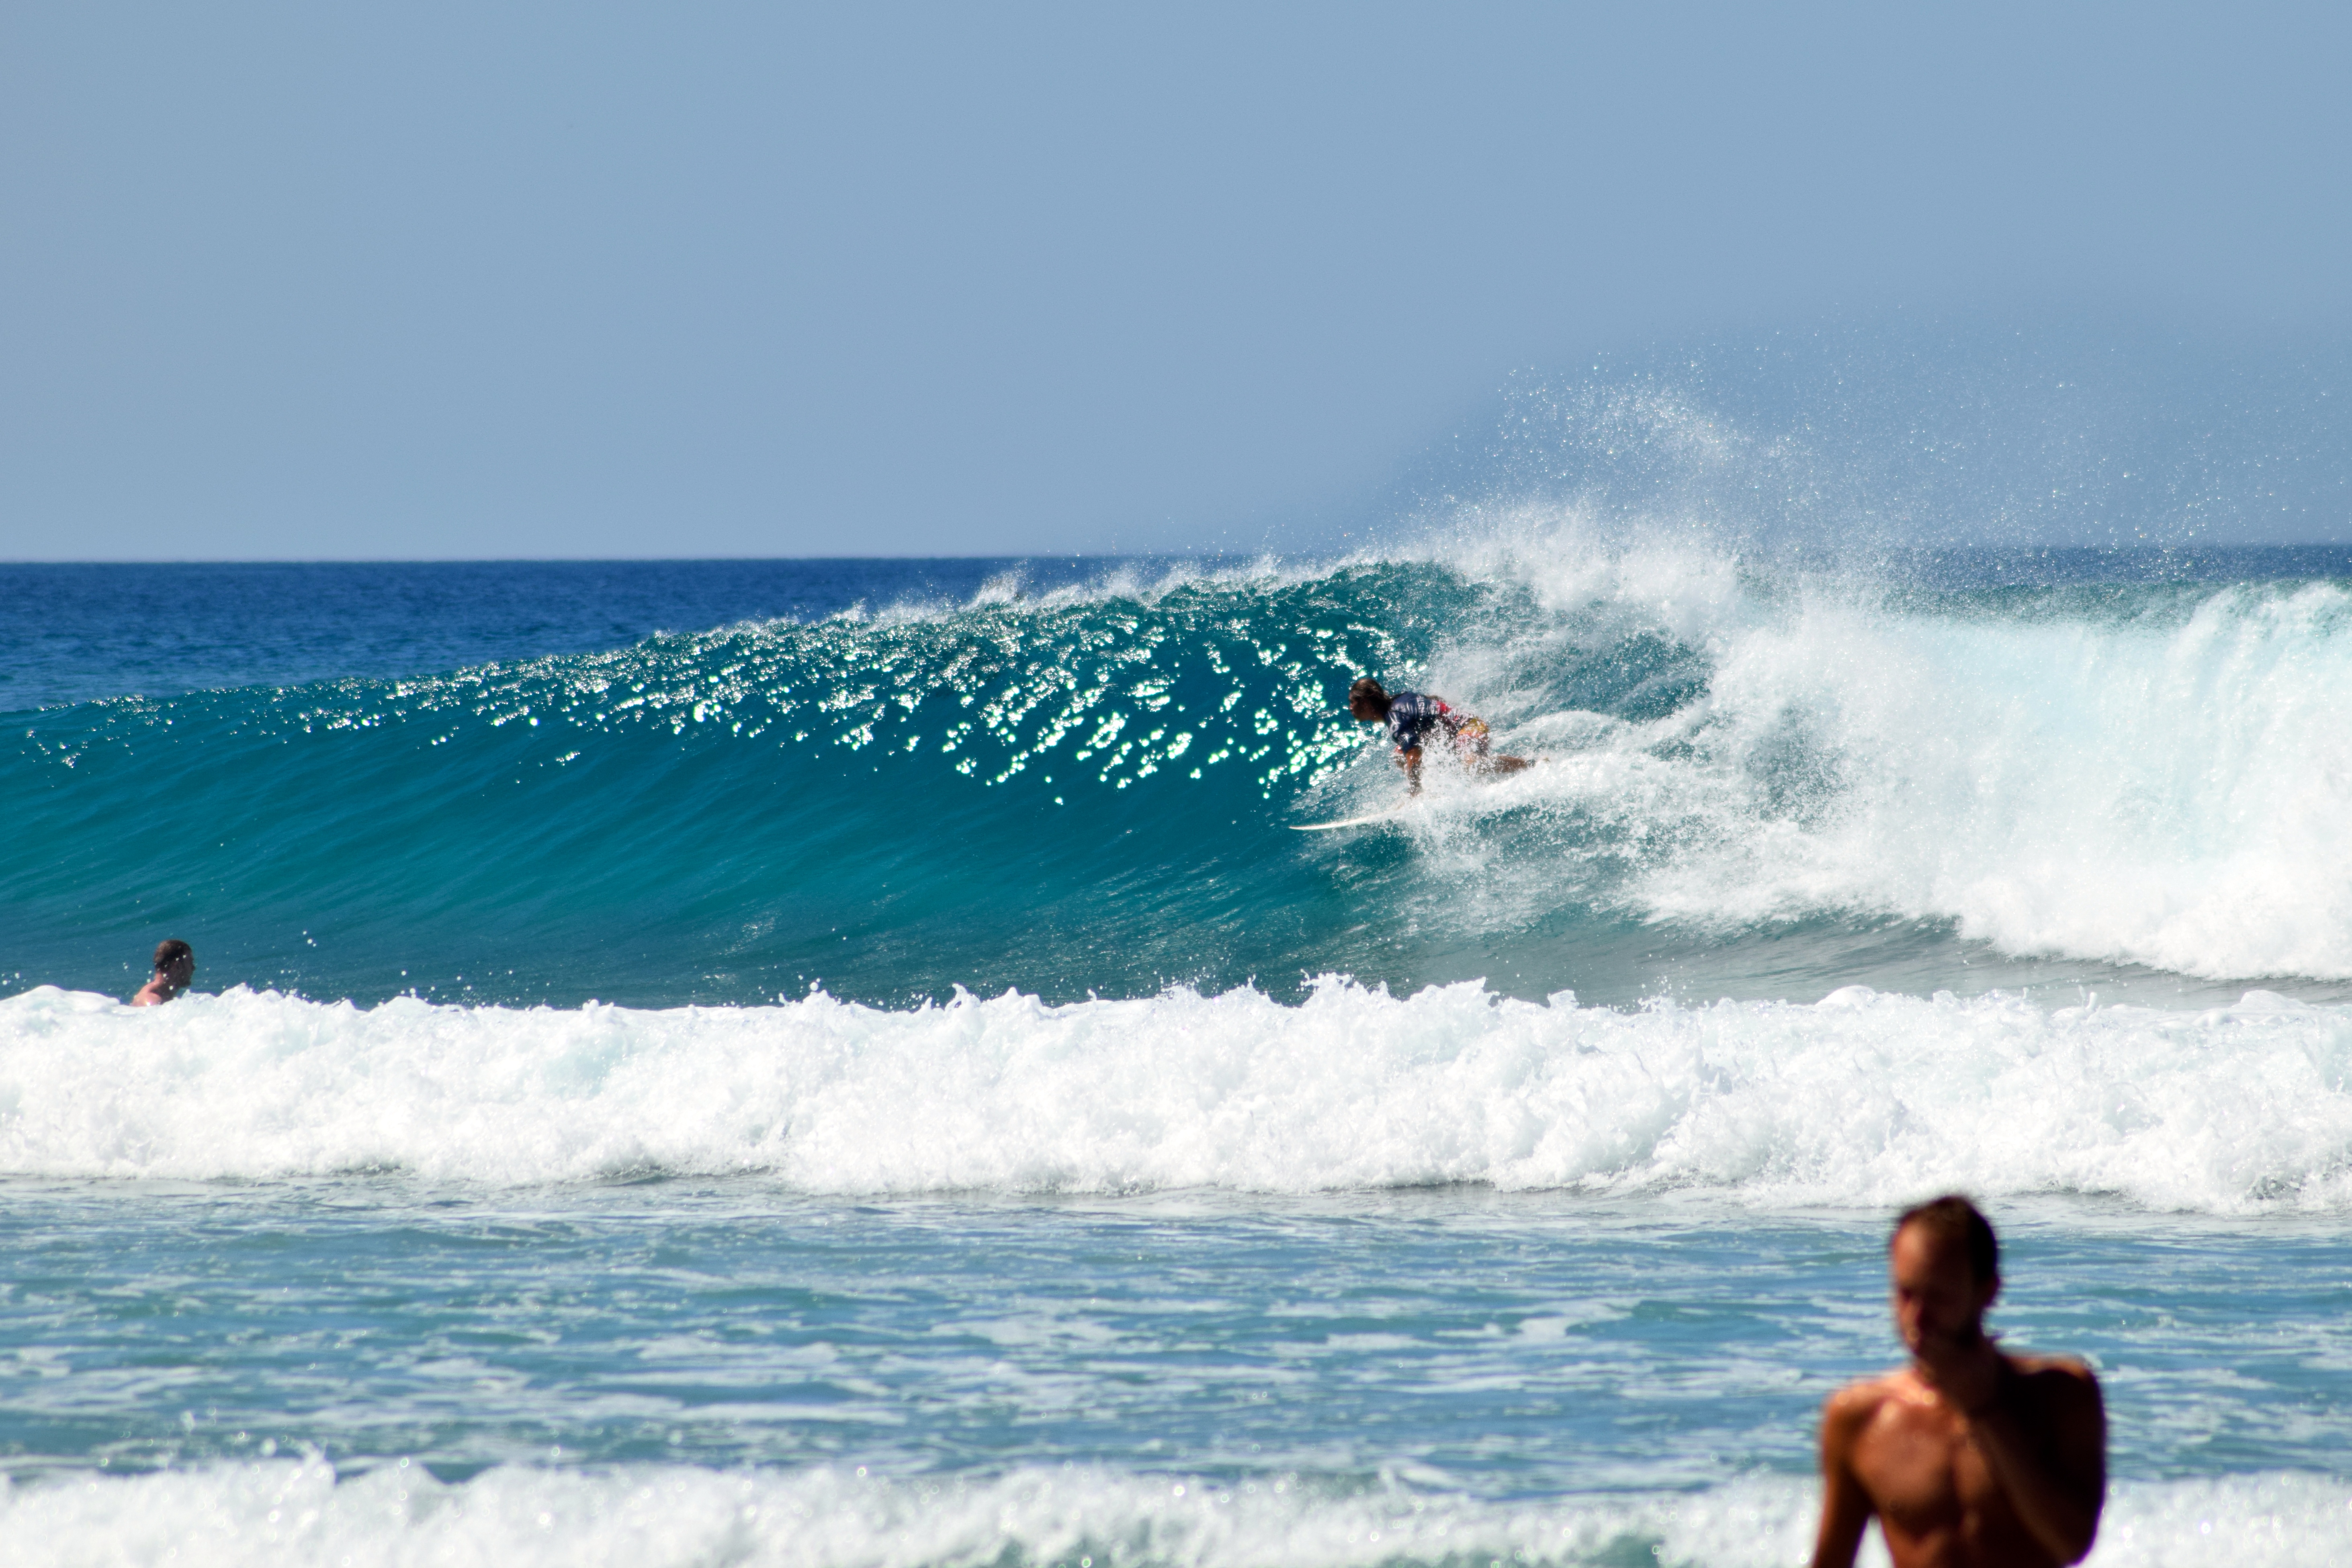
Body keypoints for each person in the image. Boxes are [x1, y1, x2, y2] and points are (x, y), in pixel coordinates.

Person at [1810, 1195, 2106, 1568]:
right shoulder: (1860, 1418)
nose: (1916, 1318)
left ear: (1987, 1291)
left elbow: (2071, 1545)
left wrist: (1985, 1411)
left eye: (1937, 1297)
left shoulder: (2060, 1394)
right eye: (1905, 1294)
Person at [1347, 678, 1529, 794]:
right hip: (1453, 733)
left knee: (1471, 763)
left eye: (1352, 702)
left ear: (1366, 701)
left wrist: (1414, 792)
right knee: (1398, 754)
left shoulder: (1397, 722)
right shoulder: (1402, 697)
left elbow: (1415, 758)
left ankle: (1529, 764)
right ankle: (1433, 789)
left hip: (1470, 727)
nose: (1350, 708)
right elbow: (1434, 700)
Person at [130, 939, 195, 1007]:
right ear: (177, 966)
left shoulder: (160, 996)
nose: (193, 968)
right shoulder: (152, 1001)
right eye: (191, 963)